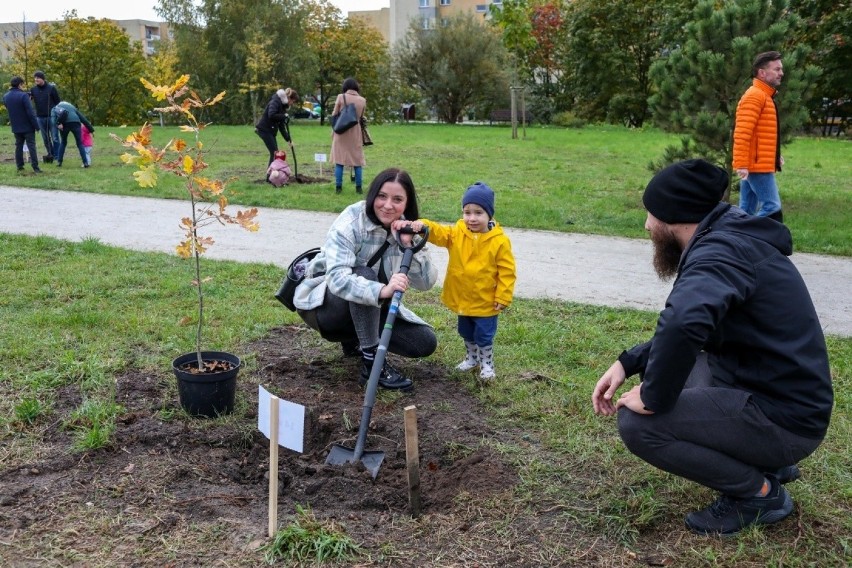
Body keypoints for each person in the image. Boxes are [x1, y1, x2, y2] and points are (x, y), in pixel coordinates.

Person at [591, 159, 832, 536]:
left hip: (786, 420)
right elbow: (695, 329)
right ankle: (767, 462)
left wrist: (652, 396)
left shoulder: (719, 254)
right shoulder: (728, 235)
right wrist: (630, 361)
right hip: (776, 396)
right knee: (688, 367)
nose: (647, 226)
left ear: (674, 217)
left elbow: (684, 322)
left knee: (638, 423)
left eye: (651, 215)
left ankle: (760, 494)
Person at [292, 167, 438, 391]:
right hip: (324, 309)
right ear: (372, 196)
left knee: (424, 342)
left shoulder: (404, 229)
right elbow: (338, 279)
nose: (388, 205)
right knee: (364, 274)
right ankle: (372, 364)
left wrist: (411, 245)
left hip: (366, 308)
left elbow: (425, 283)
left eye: (397, 199)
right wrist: (382, 291)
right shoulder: (352, 221)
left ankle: (354, 340)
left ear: (407, 204)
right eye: (382, 196)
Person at [394, 182, 516, 380]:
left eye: (478, 212)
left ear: (489, 214)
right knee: (466, 332)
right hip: (462, 298)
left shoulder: (499, 241)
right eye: (467, 212)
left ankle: (487, 364)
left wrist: (503, 295)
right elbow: (439, 233)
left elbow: (507, 271)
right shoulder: (457, 233)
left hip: (485, 301)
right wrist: (422, 225)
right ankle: (471, 358)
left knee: (484, 335)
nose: (472, 218)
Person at [733, 51, 785, 222]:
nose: (781, 73)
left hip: (758, 163)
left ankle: (735, 242)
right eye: (776, 69)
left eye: (781, 69)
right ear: (762, 72)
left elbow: (762, 135)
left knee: (746, 210)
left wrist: (775, 156)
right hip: (756, 165)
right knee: (772, 206)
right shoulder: (755, 96)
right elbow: (742, 133)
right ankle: (749, 236)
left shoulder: (764, 96)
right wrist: (741, 163)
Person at [330, 77, 366, 194]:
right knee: (357, 161)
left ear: (345, 87)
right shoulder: (362, 100)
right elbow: (361, 117)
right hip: (355, 132)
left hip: (341, 131)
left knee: (339, 161)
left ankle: (338, 188)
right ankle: (359, 188)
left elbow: (334, 114)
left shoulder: (341, 97)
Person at [4, 76, 42, 174]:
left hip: (16, 126)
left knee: (18, 146)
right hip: (27, 126)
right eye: (22, 85)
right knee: (31, 146)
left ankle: (20, 166)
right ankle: (35, 167)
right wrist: (36, 126)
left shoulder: (6, 96)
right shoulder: (23, 96)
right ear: (20, 84)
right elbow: (30, 112)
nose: (23, 87)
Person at [255, 88, 299, 172]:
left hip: (270, 131)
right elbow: (271, 114)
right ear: (289, 98)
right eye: (293, 101)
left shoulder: (282, 106)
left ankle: (271, 175)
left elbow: (281, 126)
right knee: (275, 153)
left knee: (275, 153)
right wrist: (284, 116)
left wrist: (288, 140)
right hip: (264, 129)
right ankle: (270, 176)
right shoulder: (275, 101)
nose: (292, 104)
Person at [51, 101, 95, 167]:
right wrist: (91, 130)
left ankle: (59, 162)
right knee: (79, 143)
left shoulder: (54, 108)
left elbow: (53, 119)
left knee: (63, 142)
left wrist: (58, 125)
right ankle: (85, 163)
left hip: (64, 124)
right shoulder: (72, 107)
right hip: (76, 123)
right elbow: (83, 119)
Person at [30, 70, 61, 162]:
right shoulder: (33, 90)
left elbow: (58, 102)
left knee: (55, 136)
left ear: (43, 78)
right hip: (40, 117)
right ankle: (50, 153)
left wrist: (57, 115)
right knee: (45, 138)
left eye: (38, 78)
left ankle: (57, 155)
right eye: (35, 78)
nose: (36, 79)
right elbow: (28, 100)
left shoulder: (51, 88)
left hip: (52, 116)